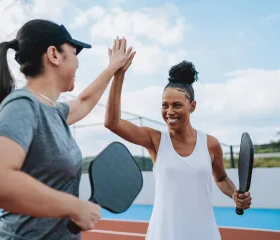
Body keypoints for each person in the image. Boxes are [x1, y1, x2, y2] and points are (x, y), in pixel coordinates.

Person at [0, 19, 134, 240]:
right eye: (74, 53)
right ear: (54, 55)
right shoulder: (23, 105)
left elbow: (84, 102)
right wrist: (73, 206)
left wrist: (113, 68)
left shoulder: (53, 111)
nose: (78, 63)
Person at [104, 60, 252, 240]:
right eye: (164, 105)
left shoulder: (210, 144)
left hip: (203, 233)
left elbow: (221, 179)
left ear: (192, 106)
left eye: (177, 105)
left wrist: (235, 195)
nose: (169, 111)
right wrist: (118, 74)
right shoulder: (155, 140)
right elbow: (112, 123)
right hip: (164, 234)